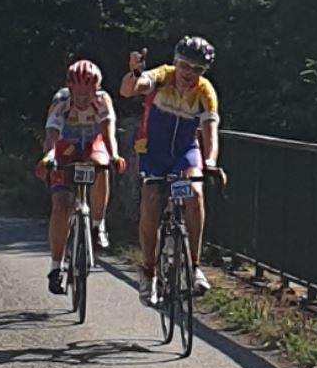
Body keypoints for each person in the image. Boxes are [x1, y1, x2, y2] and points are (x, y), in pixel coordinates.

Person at [119, 36, 226, 306]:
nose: (189, 73)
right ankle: (149, 271)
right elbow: (130, 90)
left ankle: (194, 265)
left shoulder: (205, 91)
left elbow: (210, 133)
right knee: (151, 200)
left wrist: (210, 162)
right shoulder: (163, 76)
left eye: (197, 69)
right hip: (153, 150)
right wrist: (135, 73)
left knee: (195, 194)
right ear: (176, 62)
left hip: (184, 152)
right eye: (184, 65)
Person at [35, 60, 126, 295]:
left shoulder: (103, 101)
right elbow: (52, 134)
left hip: (93, 144)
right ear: (70, 88)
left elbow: (108, 132)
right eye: (79, 93)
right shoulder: (61, 101)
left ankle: (97, 223)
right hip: (66, 146)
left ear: (97, 89)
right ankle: (56, 266)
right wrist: (48, 157)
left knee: (102, 165)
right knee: (60, 205)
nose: (84, 99)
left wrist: (115, 155)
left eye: (89, 93)